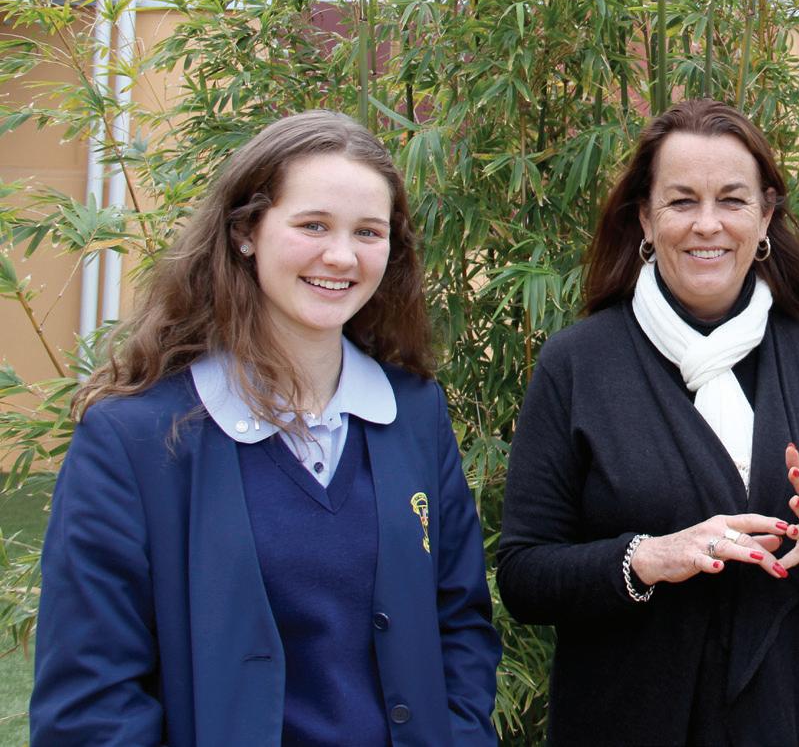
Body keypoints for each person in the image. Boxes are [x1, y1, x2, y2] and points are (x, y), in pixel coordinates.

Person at [30, 111, 502, 747]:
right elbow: (92, 702)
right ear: (246, 231)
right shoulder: (132, 439)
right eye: (313, 225)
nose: (341, 256)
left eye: (368, 232)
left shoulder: (413, 413)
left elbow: (459, 625)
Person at [497, 98, 799, 745]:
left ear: (765, 216)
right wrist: (647, 557)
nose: (707, 224)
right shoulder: (577, 365)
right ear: (645, 216)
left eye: (731, 200)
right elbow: (524, 576)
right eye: (681, 201)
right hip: (629, 722)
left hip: (794, 718)